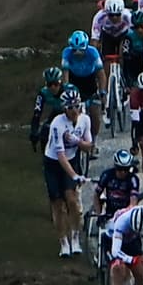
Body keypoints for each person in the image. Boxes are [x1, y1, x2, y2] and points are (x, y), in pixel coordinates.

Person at [43, 90, 92, 257]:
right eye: (70, 107)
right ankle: (63, 242)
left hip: (72, 160)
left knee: (72, 200)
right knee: (57, 204)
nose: (74, 110)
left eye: (77, 106)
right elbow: (60, 155)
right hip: (54, 163)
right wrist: (74, 175)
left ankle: (75, 238)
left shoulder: (85, 120)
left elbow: (89, 146)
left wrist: (77, 141)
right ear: (64, 108)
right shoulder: (57, 123)